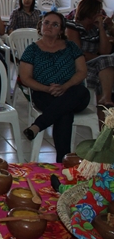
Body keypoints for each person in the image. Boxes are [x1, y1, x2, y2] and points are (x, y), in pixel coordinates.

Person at [20, 11, 91, 163]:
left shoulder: (71, 47)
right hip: (43, 93)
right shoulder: (32, 49)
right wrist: (46, 89)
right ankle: (62, 163)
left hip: (72, 91)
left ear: (61, 30)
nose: (49, 27)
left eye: (55, 24)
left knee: (80, 92)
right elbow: (25, 78)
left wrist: (65, 86)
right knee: (64, 113)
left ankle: (38, 125)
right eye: (46, 23)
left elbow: (82, 72)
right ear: (41, 25)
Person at [66, 0, 114, 107]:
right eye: (98, 11)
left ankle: (105, 102)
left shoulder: (95, 28)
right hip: (79, 65)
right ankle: (106, 99)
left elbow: (105, 51)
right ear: (90, 11)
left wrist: (101, 28)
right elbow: (78, 54)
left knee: (106, 66)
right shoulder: (73, 27)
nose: (100, 13)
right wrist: (99, 57)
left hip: (97, 63)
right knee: (107, 62)